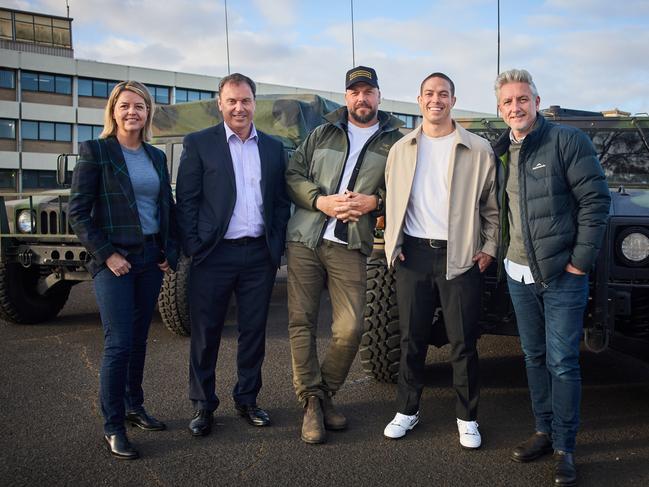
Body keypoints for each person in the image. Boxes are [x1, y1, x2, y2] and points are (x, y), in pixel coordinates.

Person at [493, 69, 610, 486]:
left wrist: (579, 261)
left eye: (522, 99)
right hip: (517, 272)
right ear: (500, 109)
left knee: (562, 362)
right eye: (507, 102)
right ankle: (542, 431)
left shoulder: (566, 141)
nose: (515, 107)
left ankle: (566, 447)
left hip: (561, 275)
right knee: (534, 357)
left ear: (537, 102)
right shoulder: (500, 150)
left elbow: (596, 201)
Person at [285, 66, 403, 444]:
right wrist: (320, 200)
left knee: (350, 328)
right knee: (301, 323)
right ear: (347, 96)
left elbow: (407, 187)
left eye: (368, 91)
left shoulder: (396, 143)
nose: (361, 98)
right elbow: (293, 175)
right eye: (355, 92)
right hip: (306, 238)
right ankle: (312, 404)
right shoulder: (321, 133)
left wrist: (375, 201)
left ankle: (321, 395)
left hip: (352, 245)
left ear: (379, 97)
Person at [382, 72, 499, 449]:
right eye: (430, 94)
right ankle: (407, 410)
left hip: (460, 255)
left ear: (453, 100)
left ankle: (467, 417)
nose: (437, 100)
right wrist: (393, 243)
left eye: (444, 94)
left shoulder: (478, 149)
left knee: (462, 342)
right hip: (413, 254)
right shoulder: (401, 149)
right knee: (410, 338)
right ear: (419, 100)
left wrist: (489, 248)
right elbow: (392, 198)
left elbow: (492, 209)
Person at [175, 73, 290, 437]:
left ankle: (247, 399)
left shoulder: (273, 147)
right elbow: (187, 201)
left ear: (255, 103)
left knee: (253, 333)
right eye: (232, 101)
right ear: (220, 103)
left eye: (246, 100)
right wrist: (195, 246)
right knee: (206, 333)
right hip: (214, 255)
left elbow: (280, 201)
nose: (239, 107)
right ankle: (203, 405)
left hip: (258, 255)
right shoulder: (198, 143)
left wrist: (277, 244)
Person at [69, 81, 178, 460]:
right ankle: (113, 426)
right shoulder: (96, 151)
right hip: (114, 262)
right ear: (113, 110)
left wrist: (168, 251)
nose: (133, 112)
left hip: (150, 259)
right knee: (118, 343)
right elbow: (78, 213)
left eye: (140, 106)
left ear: (148, 114)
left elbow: (166, 205)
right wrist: (107, 254)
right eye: (125, 105)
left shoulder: (156, 157)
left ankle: (135, 406)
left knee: (138, 340)